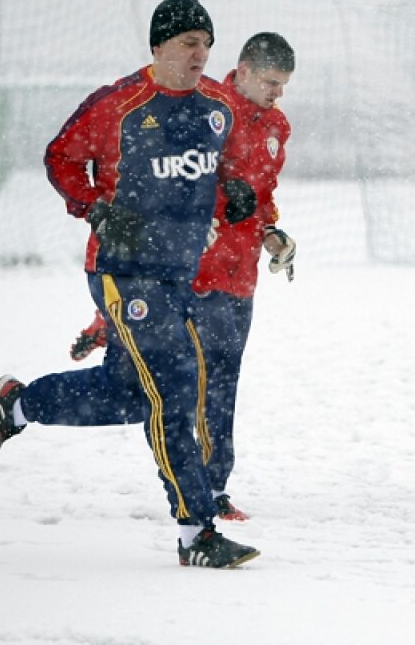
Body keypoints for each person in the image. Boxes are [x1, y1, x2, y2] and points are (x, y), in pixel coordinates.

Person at [0, 0, 260, 569]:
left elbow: (229, 160)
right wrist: (95, 208)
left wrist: (235, 188)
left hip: (179, 272)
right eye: (189, 43)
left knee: (130, 396)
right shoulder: (119, 104)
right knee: (175, 387)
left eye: (207, 44)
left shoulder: (218, 107)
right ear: (158, 47)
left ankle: (20, 404)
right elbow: (60, 157)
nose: (200, 54)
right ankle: (196, 533)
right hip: (123, 271)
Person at [65, 32, 297, 522]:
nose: (278, 93)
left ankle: (100, 337)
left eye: (283, 85)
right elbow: (170, 181)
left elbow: (261, 194)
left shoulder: (277, 125)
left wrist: (270, 232)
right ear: (245, 71)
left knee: (215, 382)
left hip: (240, 275)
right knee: (190, 388)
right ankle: (207, 494)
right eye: (271, 82)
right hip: (192, 272)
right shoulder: (204, 107)